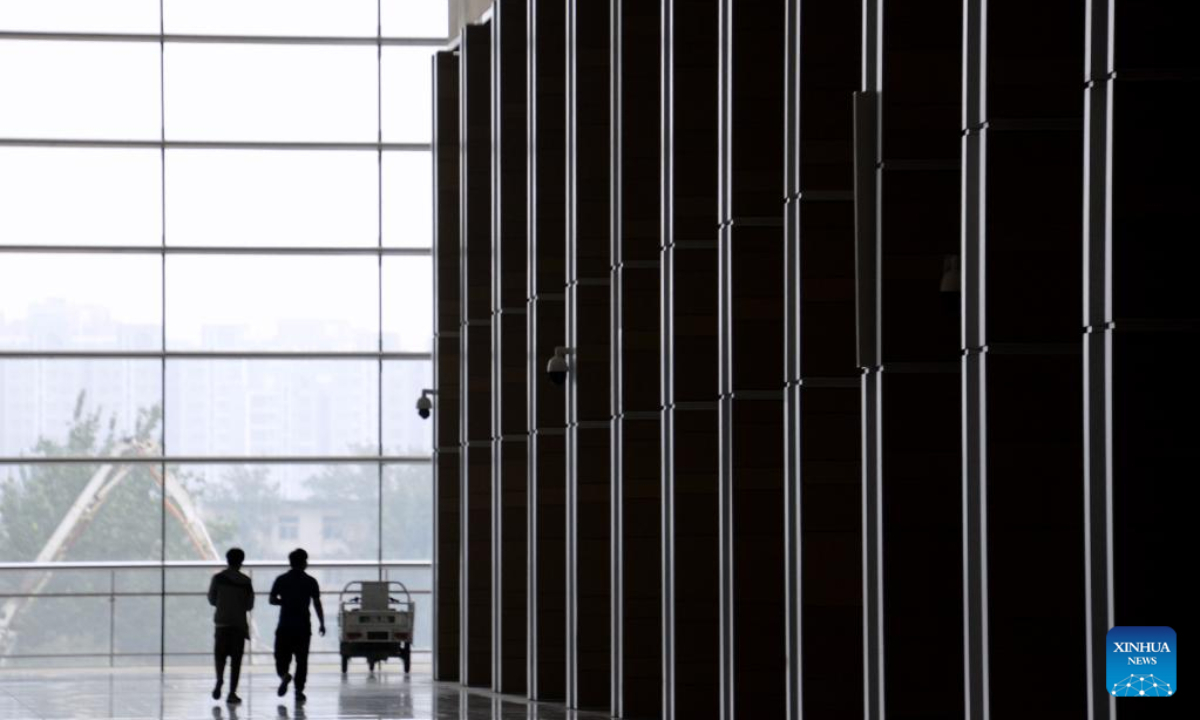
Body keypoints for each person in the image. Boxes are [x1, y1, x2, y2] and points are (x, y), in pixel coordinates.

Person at [270, 548, 325, 703]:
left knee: (281, 656)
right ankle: (299, 690)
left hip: (285, 625)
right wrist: (322, 623)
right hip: (303, 626)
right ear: (304, 563)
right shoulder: (310, 581)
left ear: (291, 562)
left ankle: (284, 675)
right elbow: (317, 603)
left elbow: (272, 599)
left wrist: (285, 602)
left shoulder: (281, 579)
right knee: (302, 660)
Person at [208, 547, 254, 704]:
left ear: (227, 560)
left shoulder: (218, 578)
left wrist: (222, 604)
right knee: (236, 661)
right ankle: (232, 693)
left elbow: (211, 599)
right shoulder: (246, 581)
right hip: (238, 625)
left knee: (219, 656)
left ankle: (220, 678)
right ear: (241, 561)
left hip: (221, 623)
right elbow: (249, 605)